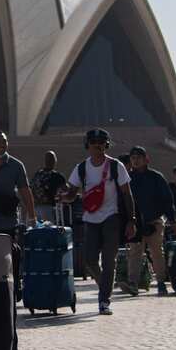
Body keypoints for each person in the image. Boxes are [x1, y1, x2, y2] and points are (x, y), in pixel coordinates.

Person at [62, 128, 137, 316]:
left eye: (101, 144)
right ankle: (107, 283)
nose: (98, 147)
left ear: (107, 145)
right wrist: (65, 196)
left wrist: (131, 220)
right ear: (87, 146)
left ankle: (104, 300)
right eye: (94, 144)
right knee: (89, 260)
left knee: (109, 259)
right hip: (90, 219)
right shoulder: (81, 168)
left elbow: (127, 194)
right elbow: (72, 193)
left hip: (112, 217)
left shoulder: (115, 166)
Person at [125, 146, 175, 297]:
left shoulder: (156, 177)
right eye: (133, 158)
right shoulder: (127, 178)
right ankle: (133, 284)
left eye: (138, 157)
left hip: (154, 221)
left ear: (146, 159)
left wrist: (172, 220)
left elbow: (167, 199)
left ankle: (161, 283)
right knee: (134, 253)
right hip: (135, 223)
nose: (135, 160)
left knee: (156, 253)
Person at [30, 151, 66, 224]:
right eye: (49, 159)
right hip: (47, 208)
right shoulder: (57, 176)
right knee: (48, 230)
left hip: (39, 207)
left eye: (51, 159)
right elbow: (65, 190)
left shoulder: (37, 174)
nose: (50, 161)